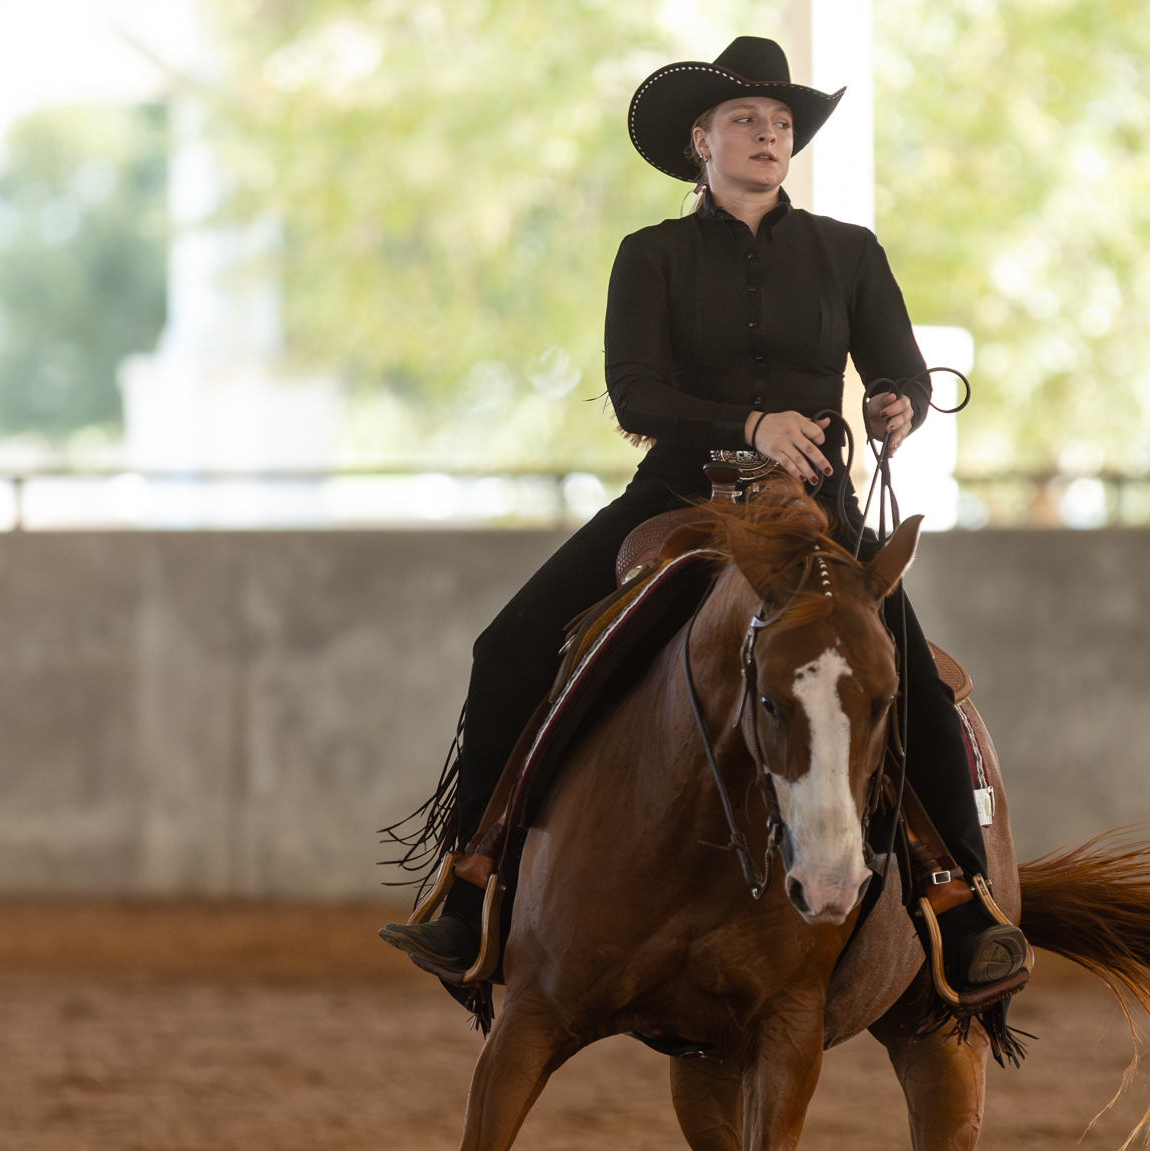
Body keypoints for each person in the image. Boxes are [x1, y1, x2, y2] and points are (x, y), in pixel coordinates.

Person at [380, 36, 1028, 992]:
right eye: (746, 122)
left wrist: (898, 401)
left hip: (814, 509)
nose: (769, 136)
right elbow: (636, 396)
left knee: (915, 680)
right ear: (701, 140)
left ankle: (958, 897)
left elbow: (896, 366)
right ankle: (474, 882)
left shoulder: (850, 252)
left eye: (780, 124)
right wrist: (750, 423)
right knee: (506, 646)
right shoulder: (651, 257)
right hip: (680, 494)